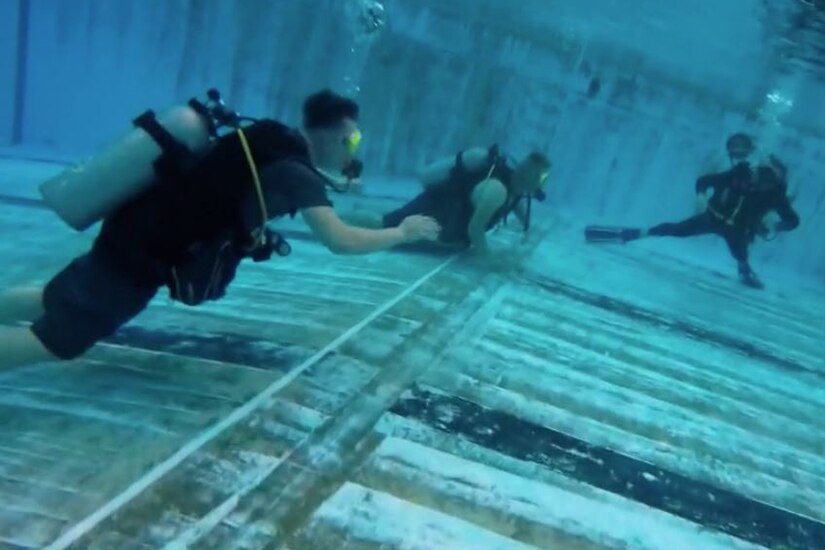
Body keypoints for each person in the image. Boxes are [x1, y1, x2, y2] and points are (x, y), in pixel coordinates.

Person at [0, 89, 440, 370]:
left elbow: (289, 186)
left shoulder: (273, 140)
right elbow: (340, 240)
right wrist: (402, 233)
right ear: (324, 135)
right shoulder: (295, 172)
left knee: (58, 296)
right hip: (142, 255)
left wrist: (341, 182)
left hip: (134, 228)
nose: (354, 149)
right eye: (352, 140)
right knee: (58, 341)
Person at [585, 133, 799, 289]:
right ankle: (630, 235)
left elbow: (792, 221)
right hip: (713, 217)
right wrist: (701, 198)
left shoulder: (774, 195)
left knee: (739, 251)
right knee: (675, 229)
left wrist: (775, 225)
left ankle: (744, 268)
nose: (757, 184)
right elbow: (704, 181)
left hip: (734, 226)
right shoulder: (740, 175)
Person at [349, 145, 551, 255]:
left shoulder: (514, 189)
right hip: (436, 210)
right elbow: (475, 229)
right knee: (383, 224)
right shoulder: (497, 191)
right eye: (542, 178)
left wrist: (527, 228)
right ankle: (336, 219)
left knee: (387, 221)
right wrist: (489, 259)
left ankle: (351, 213)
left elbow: (517, 205)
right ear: (529, 175)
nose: (543, 183)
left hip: (444, 221)